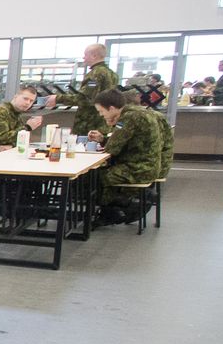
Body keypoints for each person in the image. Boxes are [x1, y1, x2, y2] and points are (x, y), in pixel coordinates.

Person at [87, 90, 164, 224]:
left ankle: (118, 209)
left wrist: (110, 128)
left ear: (111, 108)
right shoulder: (139, 112)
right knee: (99, 174)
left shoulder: (128, 118)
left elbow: (113, 148)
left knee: (95, 177)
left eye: (101, 111)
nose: (101, 115)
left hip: (139, 168)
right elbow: (122, 141)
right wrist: (103, 139)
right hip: (147, 164)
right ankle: (112, 209)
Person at [48, 43, 117, 135]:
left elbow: (84, 98)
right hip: (104, 122)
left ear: (94, 56)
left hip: (89, 122)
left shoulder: (96, 74)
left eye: (85, 55)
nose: (83, 57)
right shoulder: (112, 74)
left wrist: (58, 98)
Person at [0, 86, 45, 151]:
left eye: (31, 101)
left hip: (2, 154)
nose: (28, 103)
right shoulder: (1, 111)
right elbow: (0, 138)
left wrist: (11, 146)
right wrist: (27, 127)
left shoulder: (17, 114)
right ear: (16, 96)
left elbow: (21, 140)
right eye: (25, 99)